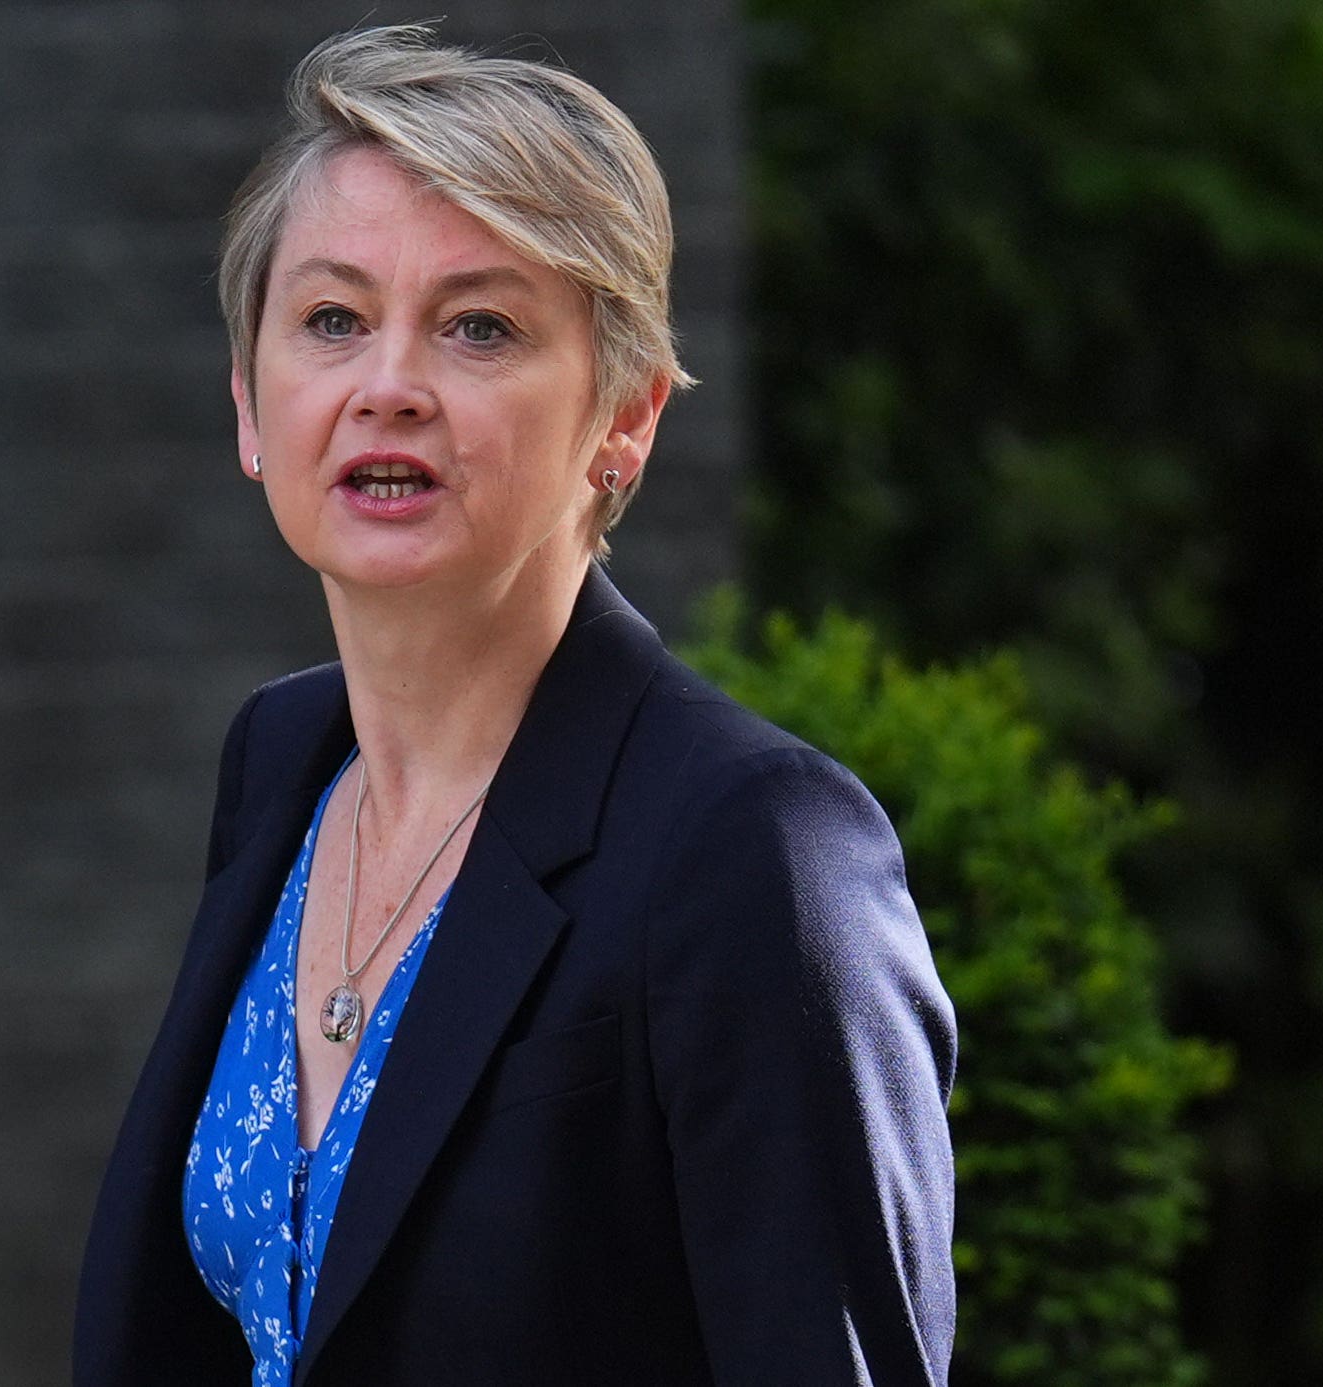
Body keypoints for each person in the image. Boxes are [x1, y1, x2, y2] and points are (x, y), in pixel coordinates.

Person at [75, 24, 955, 1387]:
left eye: (478, 327)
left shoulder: (750, 848)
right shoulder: (282, 765)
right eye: (331, 320)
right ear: (251, 404)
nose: (388, 388)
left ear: (626, 419)